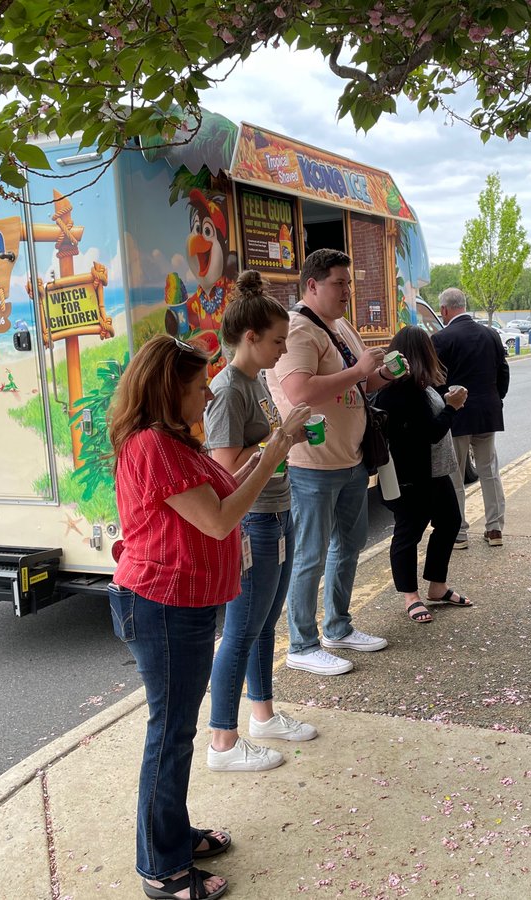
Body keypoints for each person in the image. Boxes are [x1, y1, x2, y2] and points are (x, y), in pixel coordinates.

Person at [107, 334, 293, 899]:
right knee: (169, 735)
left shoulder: (170, 441)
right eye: (196, 385)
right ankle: (161, 869)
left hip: (175, 604)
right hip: (162, 606)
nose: (207, 393)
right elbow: (218, 520)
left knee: (178, 734)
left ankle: (174, 836)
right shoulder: (154, 447)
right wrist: (276, 454)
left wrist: (261, 456)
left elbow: (219, 494)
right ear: (169, 390)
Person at [204, 270, 316, 773]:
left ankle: (262, 715)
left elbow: (263, 448)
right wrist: (281, 439)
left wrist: (289, 437)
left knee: (265, 622)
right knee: (242, 629)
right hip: (254, 521)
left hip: (277, 509)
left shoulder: (253, 382)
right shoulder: (228, 390)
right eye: (275, 342)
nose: (280, 353)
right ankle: (223, 742)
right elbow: (225, 467)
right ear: (249, 337)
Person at [267, 248, 394, 677]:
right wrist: (359, 370)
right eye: (339, 283)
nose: (347, 291)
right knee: (310, 555)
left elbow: (361, 383)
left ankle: (338, 627)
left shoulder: (339, 326)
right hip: (311, 464)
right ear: (312, 285)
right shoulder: (299, 330)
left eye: (349, 283)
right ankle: (301, 644)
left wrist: (383, 373)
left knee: (349, 546)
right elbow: (300, 391)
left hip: (351, 459)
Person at [373, 325, 473, 623]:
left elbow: (427, 417)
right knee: (409, 532)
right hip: (411, 476)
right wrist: (452, 407)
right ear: (421, 353)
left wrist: (447, 396)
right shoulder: (399, 391)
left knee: (450, 522)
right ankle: (410, 596)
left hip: (434, 473)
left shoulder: (421, 385)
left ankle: (437, 586)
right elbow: (428, 432)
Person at [432, 287, 510, 550]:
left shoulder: (441, 339)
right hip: (487, 412)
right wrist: (494, 398)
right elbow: (503, 371)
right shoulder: (491, 334)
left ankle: (459, 532)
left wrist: (446, 405)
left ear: (444, 310)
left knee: (454, 475)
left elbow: (436, 380)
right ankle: (495, 528)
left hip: (456, 415)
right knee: (489, 471)